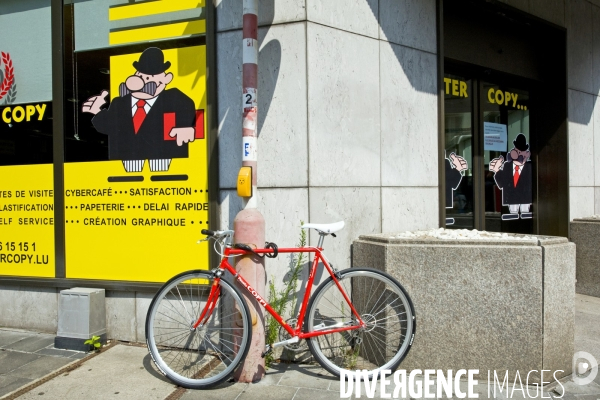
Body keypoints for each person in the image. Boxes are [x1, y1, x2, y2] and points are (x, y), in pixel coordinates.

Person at [82, 47, 196, 172]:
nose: (142, 82)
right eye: (140, 75)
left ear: (166, 79)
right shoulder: (120, 103)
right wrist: (97, 112)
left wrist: (186, 127)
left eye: (150, 77)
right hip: (127, 163)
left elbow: (190, 109)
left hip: (162, 160)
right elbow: (110, 128)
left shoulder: (173, 98)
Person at [489, 133, 532, 220]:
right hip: (512, 199)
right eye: (516, 151)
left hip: (525, 199)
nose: (517, 154)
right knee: (512, 216)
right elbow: (502, 184)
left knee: (525, 214)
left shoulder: (529, 167)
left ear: (526, 154)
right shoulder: (507, 166)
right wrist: (497, 170)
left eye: (521, 152)